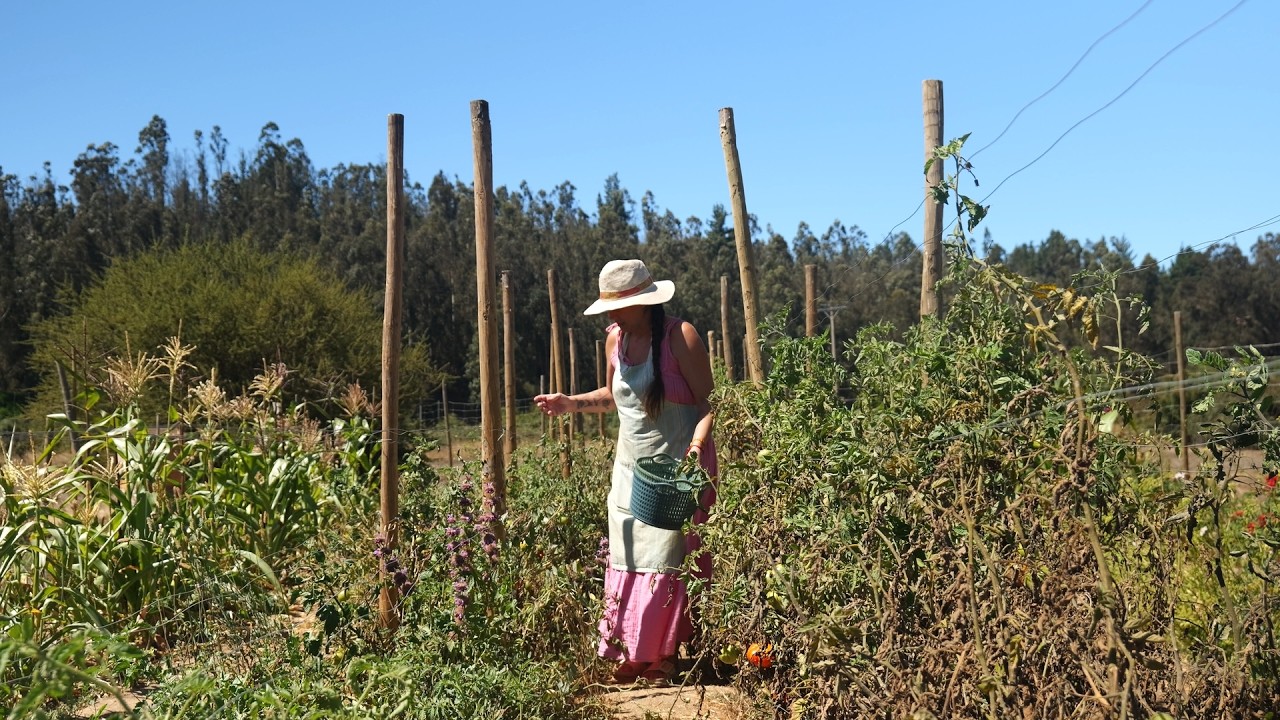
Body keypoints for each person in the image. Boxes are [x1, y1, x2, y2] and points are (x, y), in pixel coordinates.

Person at [535, 258, 716, 685]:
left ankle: (663, 656)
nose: (611, 316)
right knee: (631, 556)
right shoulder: (615, 340)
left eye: (617, 307)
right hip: (630, 470)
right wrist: (570, 403)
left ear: (644, 303)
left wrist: (695, 447)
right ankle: (634, 651)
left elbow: (711, 403)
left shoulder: (679, 336)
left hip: (676, 469)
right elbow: (616, 398)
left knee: (666, 559)